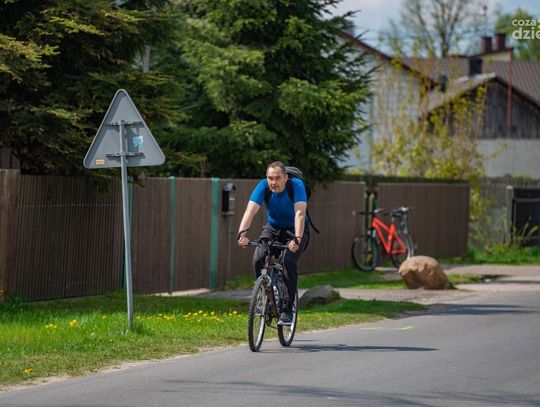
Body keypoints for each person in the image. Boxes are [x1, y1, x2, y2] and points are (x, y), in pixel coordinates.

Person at [237, 161, 310, 325]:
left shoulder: (296, 186)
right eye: (270, 178)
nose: (273, 182)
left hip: (296, 229)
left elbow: (299, 213)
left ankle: (286, 310)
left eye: (277, 178)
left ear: (285, 177)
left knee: (288, 262)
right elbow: (250, 210)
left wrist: (297, 238)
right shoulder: (263, 186)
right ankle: (264, 297)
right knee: (258, 258)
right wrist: (242, 232)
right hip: (274, 228)